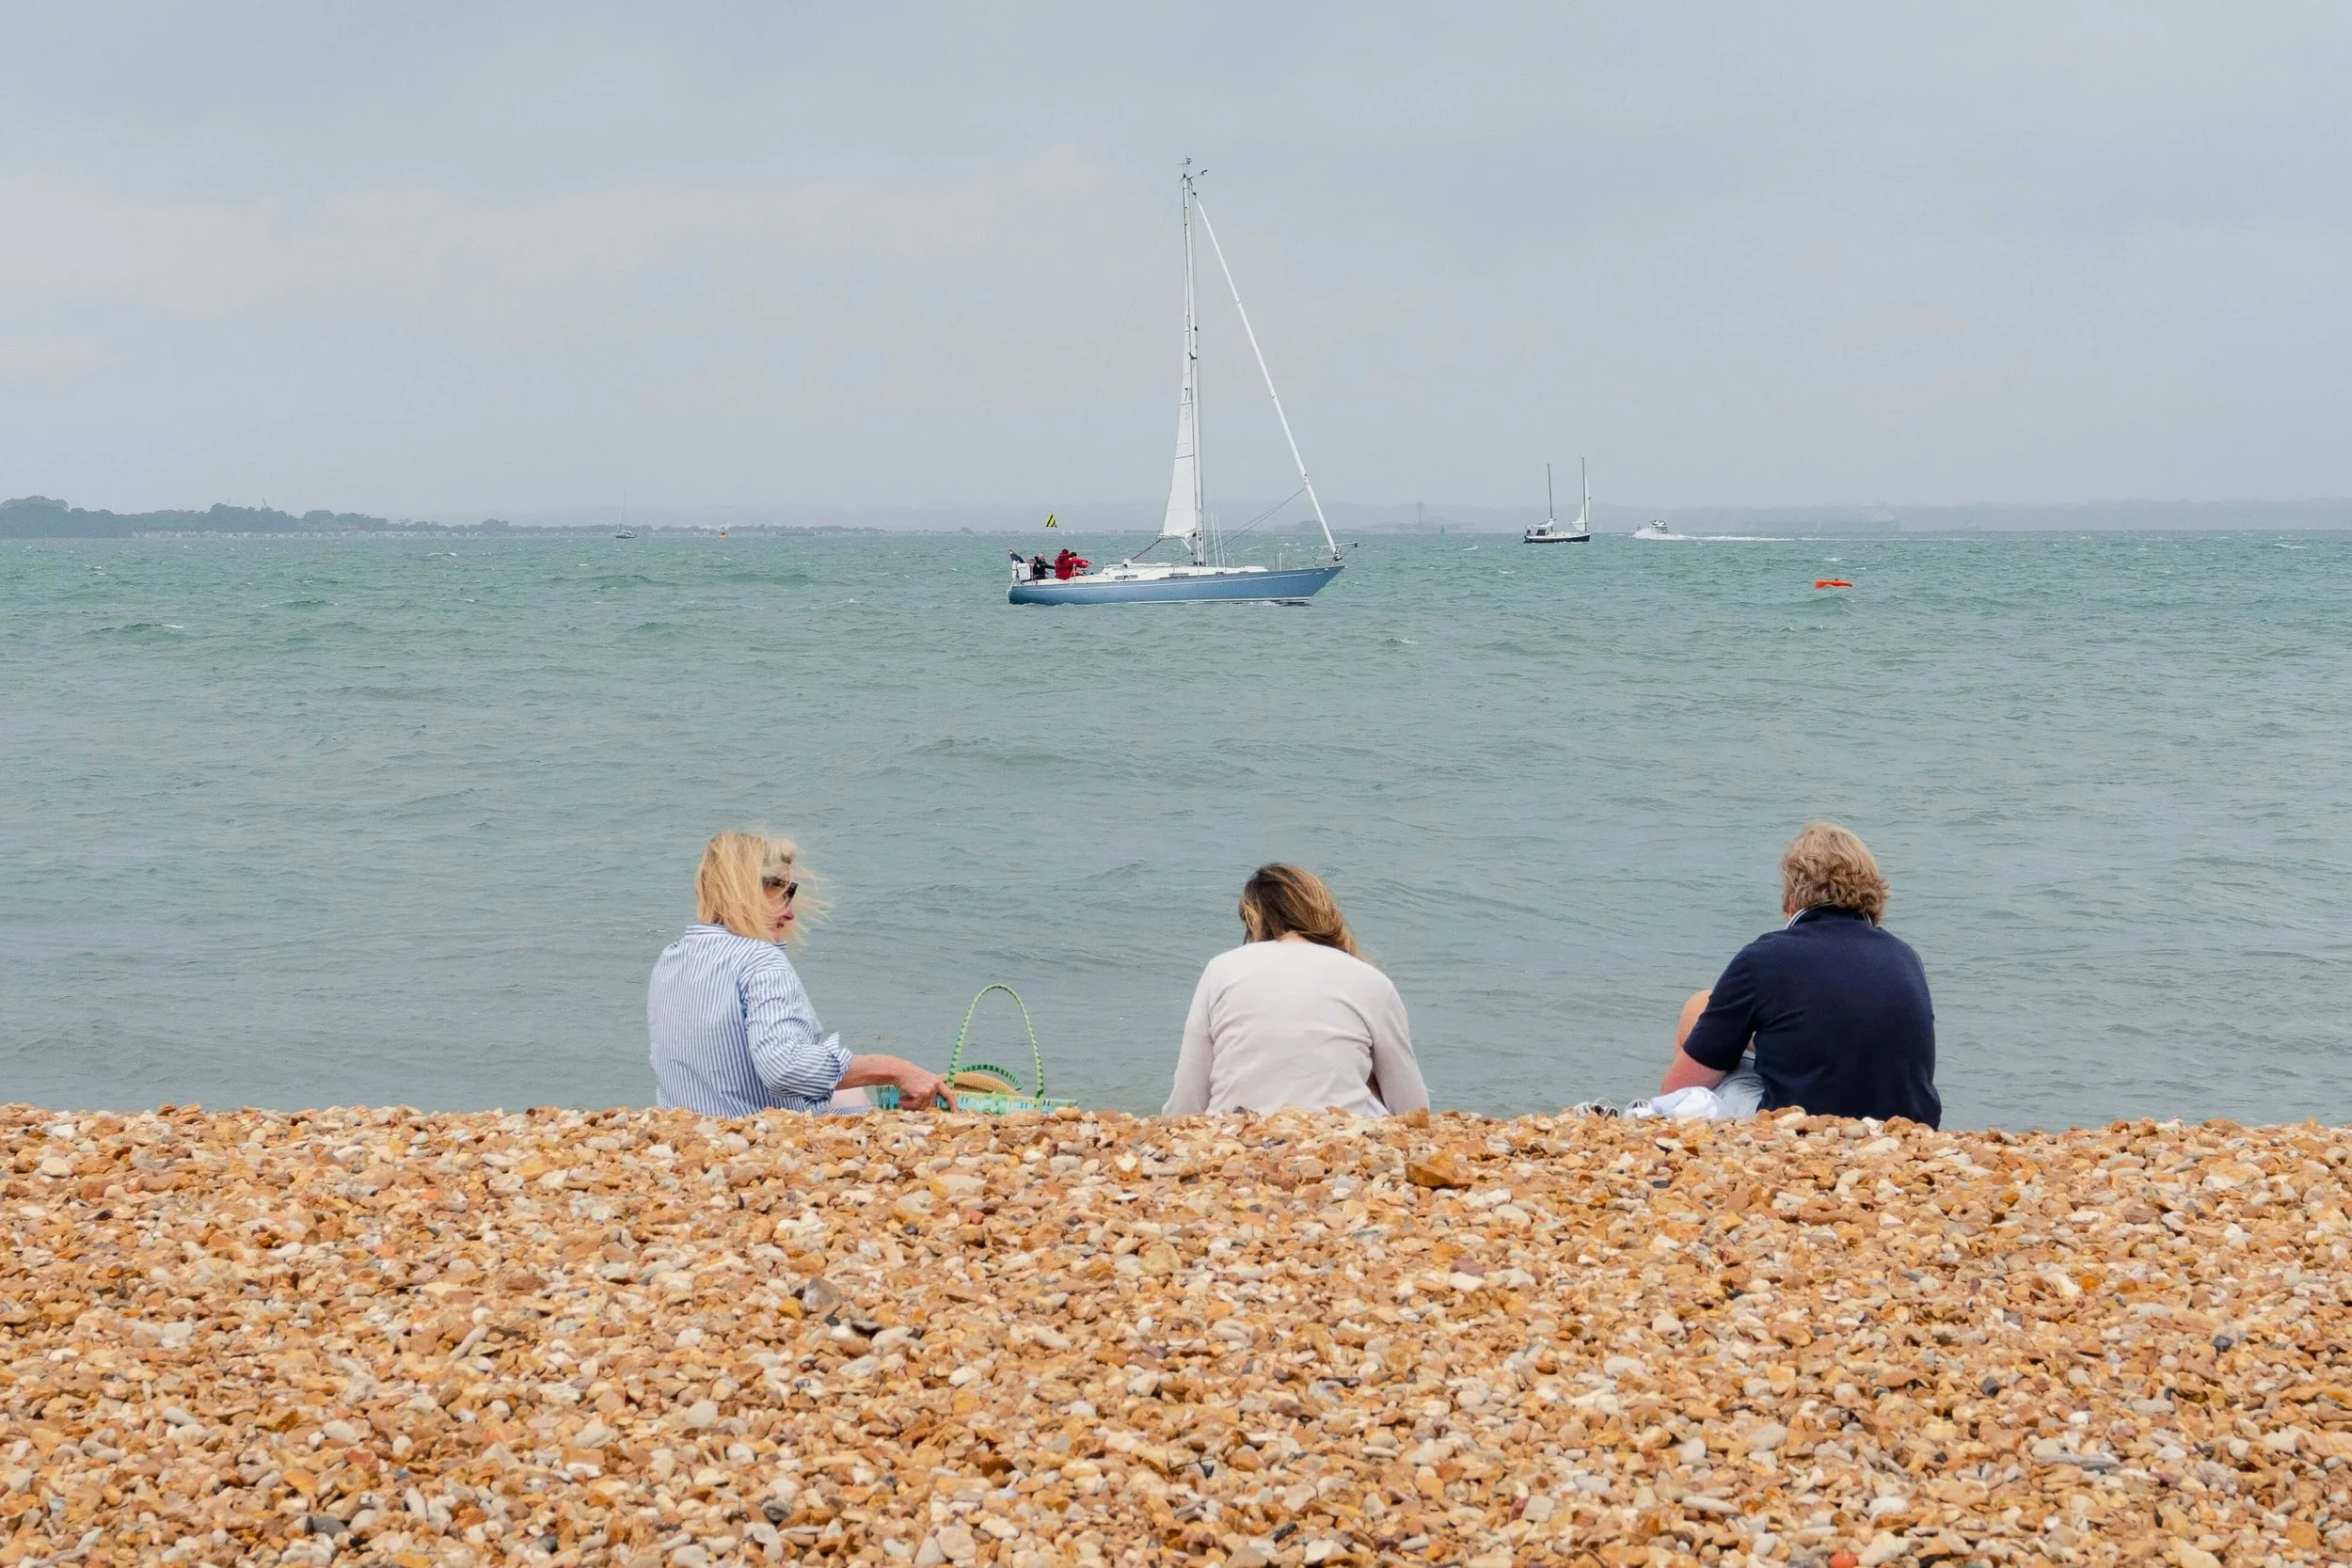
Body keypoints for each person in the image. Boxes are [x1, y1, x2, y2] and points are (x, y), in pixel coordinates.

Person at [648, 832, 953, 1117]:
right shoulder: (760, 961)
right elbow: (785, 1068)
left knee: (850, 1091)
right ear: (747, 892)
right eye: (783, 893)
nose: (791, 912)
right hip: (751, 1135)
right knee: (864, 1107)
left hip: (688, 1128)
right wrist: (896, 1070)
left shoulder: (672, 957)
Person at [1655, 822, 1940, 1125]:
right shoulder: (1905, 956)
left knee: (1697, 1009)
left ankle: (1670, 1130)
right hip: (1907, 1127)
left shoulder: (1765, 957)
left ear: (1791, 897)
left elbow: (1677, 1087)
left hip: (1803, 1125)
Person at [1164, 863, 1430, 1117]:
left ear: (1251, 919)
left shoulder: (1221, 969)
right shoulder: (1369, 980)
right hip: (1338, 1138)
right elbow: (1412, 1106)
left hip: (1235, 1135)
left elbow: (1188, 1097)